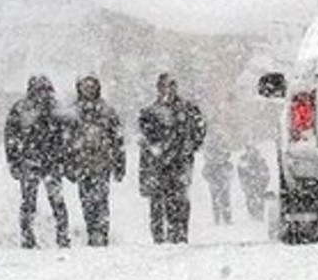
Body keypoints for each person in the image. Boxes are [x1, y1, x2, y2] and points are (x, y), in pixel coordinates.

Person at [138, 73, 207, 244]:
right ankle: (159, 237)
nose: (167, 91)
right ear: (158, 89)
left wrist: (190, 146)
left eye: (171, 86)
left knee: (179, 200)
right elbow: (145, 138)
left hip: (180, 162)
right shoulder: (149, 112)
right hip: (157, 163)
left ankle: (179, 234)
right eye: (164, 87)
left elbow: (200, 129)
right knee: (157, 201)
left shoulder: (188, 109)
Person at [4, 75, 71, 249]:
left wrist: (64, 159)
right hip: (30, 162)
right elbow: (11, 137)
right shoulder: (21, 108)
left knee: (57, 202)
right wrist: (14, 161)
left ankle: (63, 237)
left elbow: (66, 137)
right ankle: (28, 238)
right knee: (29, 202)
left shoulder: (56, 109)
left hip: (50, 162)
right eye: (39, 89)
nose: (43, 93)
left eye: (45, 89)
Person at [66, 75, 125, 246]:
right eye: (85, 86)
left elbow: (117, 140)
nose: (89, 89)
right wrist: (68, 164)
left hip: (102, 164)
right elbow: (66, 141)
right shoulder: (73, 112)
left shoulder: (107, 111)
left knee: (101, 200)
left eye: (92, 86)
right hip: (82, 164)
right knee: (86, 201)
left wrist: (119, 164)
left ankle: (102, 233)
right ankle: (92, 231)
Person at [200, 135, 233, 225]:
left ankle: (226, 218)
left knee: (224, 201)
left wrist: (227, 177)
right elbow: (205, 173)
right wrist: (212, 180)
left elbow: (230, 169)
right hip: (216, 183)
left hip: (222, 182)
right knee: (217, 201)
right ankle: (218, 219)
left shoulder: (224, 162)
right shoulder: (211, 162)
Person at [236, 144, 271, 221]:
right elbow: (240, 172)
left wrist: (264, 182)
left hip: (257, 182)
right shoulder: (244, 160)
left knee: (256, 198)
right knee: (252, 198)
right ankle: (254, 215)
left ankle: (258, 215)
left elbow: (266, 172)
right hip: (251, 182)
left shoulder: (259, 160)